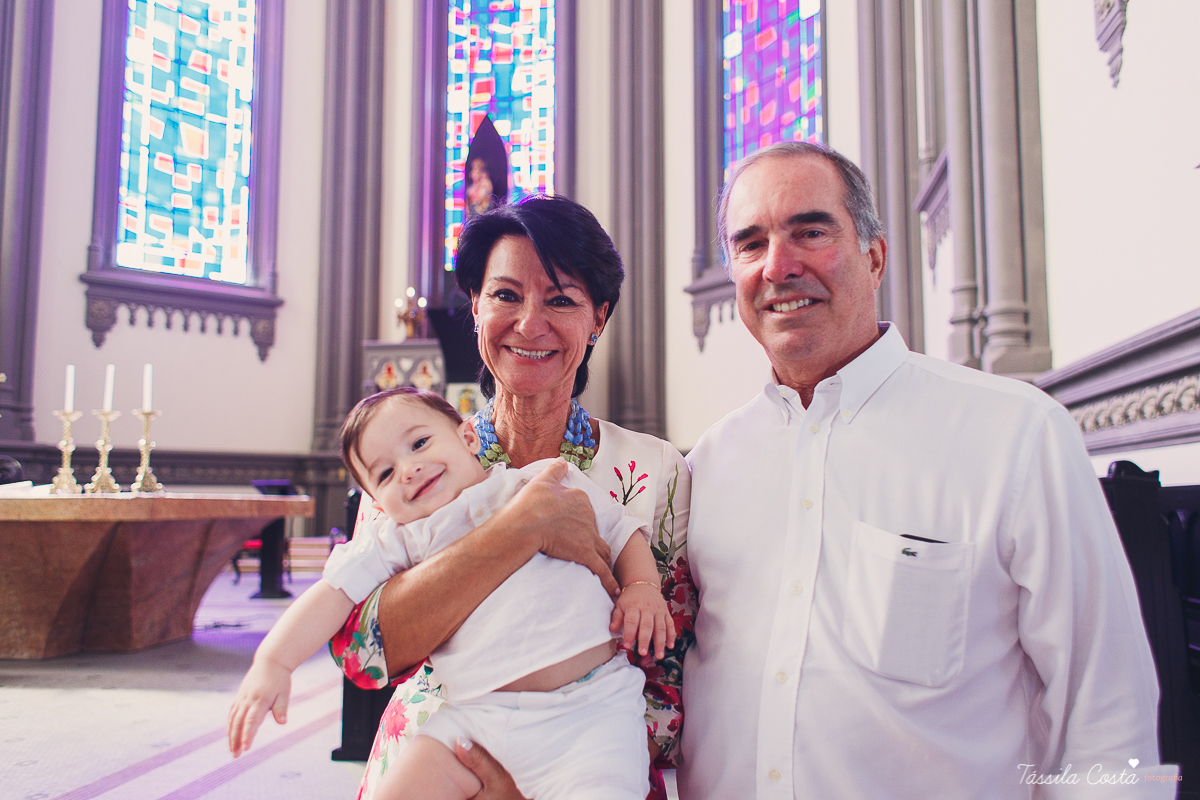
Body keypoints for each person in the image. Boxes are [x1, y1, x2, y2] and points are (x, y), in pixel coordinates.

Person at [678, 142, 1177, 798]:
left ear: (874, 257)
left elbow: (1106, 707)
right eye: (751, 243)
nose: (779, 265)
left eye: (811, 232)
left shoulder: (1014, 434)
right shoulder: (709, 465)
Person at [330, 195, 694, 800]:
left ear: (598, 318)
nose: (529, 323)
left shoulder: (654, 471)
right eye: (506, 294)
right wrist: (520, 529)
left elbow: (670, 679)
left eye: (561, 299)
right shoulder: (413, 465)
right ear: (475, 306)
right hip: (437, 762)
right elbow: (365, 654)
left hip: (590, 765)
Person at [227, 388, 672, 799]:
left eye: (419, 443)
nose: (408, 469)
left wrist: (641, 587)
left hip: (592, 711)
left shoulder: (541, 481)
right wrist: (274, 662)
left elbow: (621, 530)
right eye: (385, 473)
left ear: (467, 438)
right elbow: (332, 593)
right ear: (377, 500)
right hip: (478, 715)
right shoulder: (401, 538)